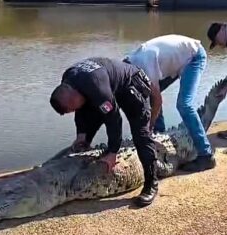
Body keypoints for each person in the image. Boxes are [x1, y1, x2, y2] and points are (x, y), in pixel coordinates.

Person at [49, 57, 162, 207]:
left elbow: (114, 119)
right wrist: (82, 135)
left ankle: (151, 184)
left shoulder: (96, 88)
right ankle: (85, 143)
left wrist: (113, 152)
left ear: (72, 97)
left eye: (71, 109)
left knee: (141, 135)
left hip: (131, 85)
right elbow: (82, 110)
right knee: (91, 111)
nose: (74, 112)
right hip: (108, 86)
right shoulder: (69, 80)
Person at [123, 34, 215, 172]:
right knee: (146, 96)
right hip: (176, 58)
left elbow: (157, 99)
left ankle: (206, 155)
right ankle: (160, 134)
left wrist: (150, 123)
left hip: (193, 57)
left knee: (183, 105)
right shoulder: (130, 63)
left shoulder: (145, 63)